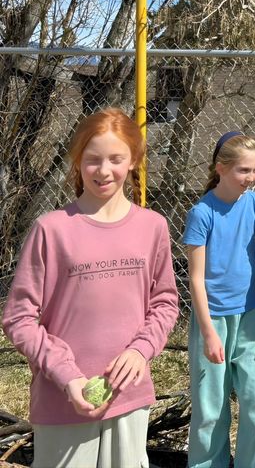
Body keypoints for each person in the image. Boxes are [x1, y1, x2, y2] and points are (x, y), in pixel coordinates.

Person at [2, 108, 179, 468]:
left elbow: (164, 303)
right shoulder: (51, 229)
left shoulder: (152, 226)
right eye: (92, 159)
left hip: (130, 395)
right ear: (78, 160)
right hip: (63, 399)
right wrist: (67, 376)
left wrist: (141, 351)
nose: (103, 170)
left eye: (116, 159)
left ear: (133, 162)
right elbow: (19, 319)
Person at [183, 131, 255, 468]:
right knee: (211, 407)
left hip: (253, 314)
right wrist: (208, 330)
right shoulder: (201, 213)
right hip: (213, 319)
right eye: (244, 170)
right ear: (220, 168)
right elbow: (195, 279)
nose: (251, 178)